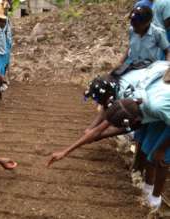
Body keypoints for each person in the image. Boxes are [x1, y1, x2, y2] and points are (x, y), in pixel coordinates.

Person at [47, 75, 170, 209]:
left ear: (134, 120)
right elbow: (100, 128)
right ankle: (147, 189)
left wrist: (161, 149)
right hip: (162, 103)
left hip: (164, 110)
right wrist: (65, 152)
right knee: (147, 148)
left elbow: (122, 129)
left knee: (160, 159)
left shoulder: (155, 108)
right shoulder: (128, 102)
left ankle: (155, 201)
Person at [113, 6, 170, 77]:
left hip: (150, 69)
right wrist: (120, 62)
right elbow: (130, 47)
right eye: (133, 25)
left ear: (147, 22)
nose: (134, 28)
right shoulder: (132, 30)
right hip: (133, 66)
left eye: (137, 26)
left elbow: (167, 51)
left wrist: (167, 67)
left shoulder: (157, 33)